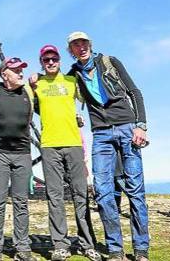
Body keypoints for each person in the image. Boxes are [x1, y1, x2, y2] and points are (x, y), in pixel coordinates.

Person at [66, 31, 150, 261]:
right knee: (103, 193)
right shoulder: (73, 74)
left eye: (83, 43)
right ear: (71, 50)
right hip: (101, 134)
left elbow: (135, 92)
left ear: (90, 45)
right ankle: (115, 250)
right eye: (75, 45)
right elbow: (59, 92)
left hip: (126, 127)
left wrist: (141, 125)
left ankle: (141, 250)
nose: (81, 47)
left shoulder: (110, 62)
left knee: (135, 191)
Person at [31, 45, 101, 261]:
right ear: (41, 62)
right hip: (50, 145)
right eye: (46, 59)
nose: (50, 62)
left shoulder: (71, 82)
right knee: (55, 197)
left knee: (81, 195)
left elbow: (91, 96)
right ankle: (60, 244)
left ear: (59, 60)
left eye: (53, 59)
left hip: (73, 144)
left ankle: (87, 243)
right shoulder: (36, 84)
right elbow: (32, 106)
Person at [0, 57, 38, 261]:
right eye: (16, 70)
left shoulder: (29, 91)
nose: (20, 73)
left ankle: (22, 247)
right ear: (5, 73)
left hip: (23, 153)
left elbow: (50, 106)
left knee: (21, 202)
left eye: (22, 69)